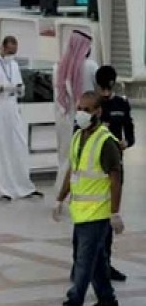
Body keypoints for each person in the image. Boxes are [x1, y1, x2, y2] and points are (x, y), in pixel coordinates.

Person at [52, 91, 124, 306]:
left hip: (98, 213)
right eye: (80, 108)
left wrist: (115, 212)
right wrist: (60, 199)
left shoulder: (106, 141)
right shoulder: (77, 137)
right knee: (96, 259)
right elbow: (73, 171)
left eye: (87, 109)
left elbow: (116, 179)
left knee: (83, 262)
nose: (82, 113)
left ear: (98, 112)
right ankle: (107, 300)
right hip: (81, 212)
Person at [0, 36, 42, 201]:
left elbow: (18, 84)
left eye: (14, 52)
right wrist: (1, 88)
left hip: (12, 109)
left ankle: (20, 184)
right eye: (9, 51)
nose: (11, 54)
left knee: (17, 144)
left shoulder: (14, 65)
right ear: (2, 48)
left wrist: (19, 89)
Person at [95, 65, 134, 282]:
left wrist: (125, 143)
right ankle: (87, 264)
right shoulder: (92, 105)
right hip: (94, 170)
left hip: (115, 166)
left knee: (109, 216)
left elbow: (130, 132)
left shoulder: (121, 104)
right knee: (92, 221)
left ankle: (105, 263)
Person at [53, 30, 99, 190]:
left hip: (63, 119)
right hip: (85, 119)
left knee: (65, 155)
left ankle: (62, 189)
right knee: (85, 155)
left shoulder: (58, 67)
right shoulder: (91, 66)